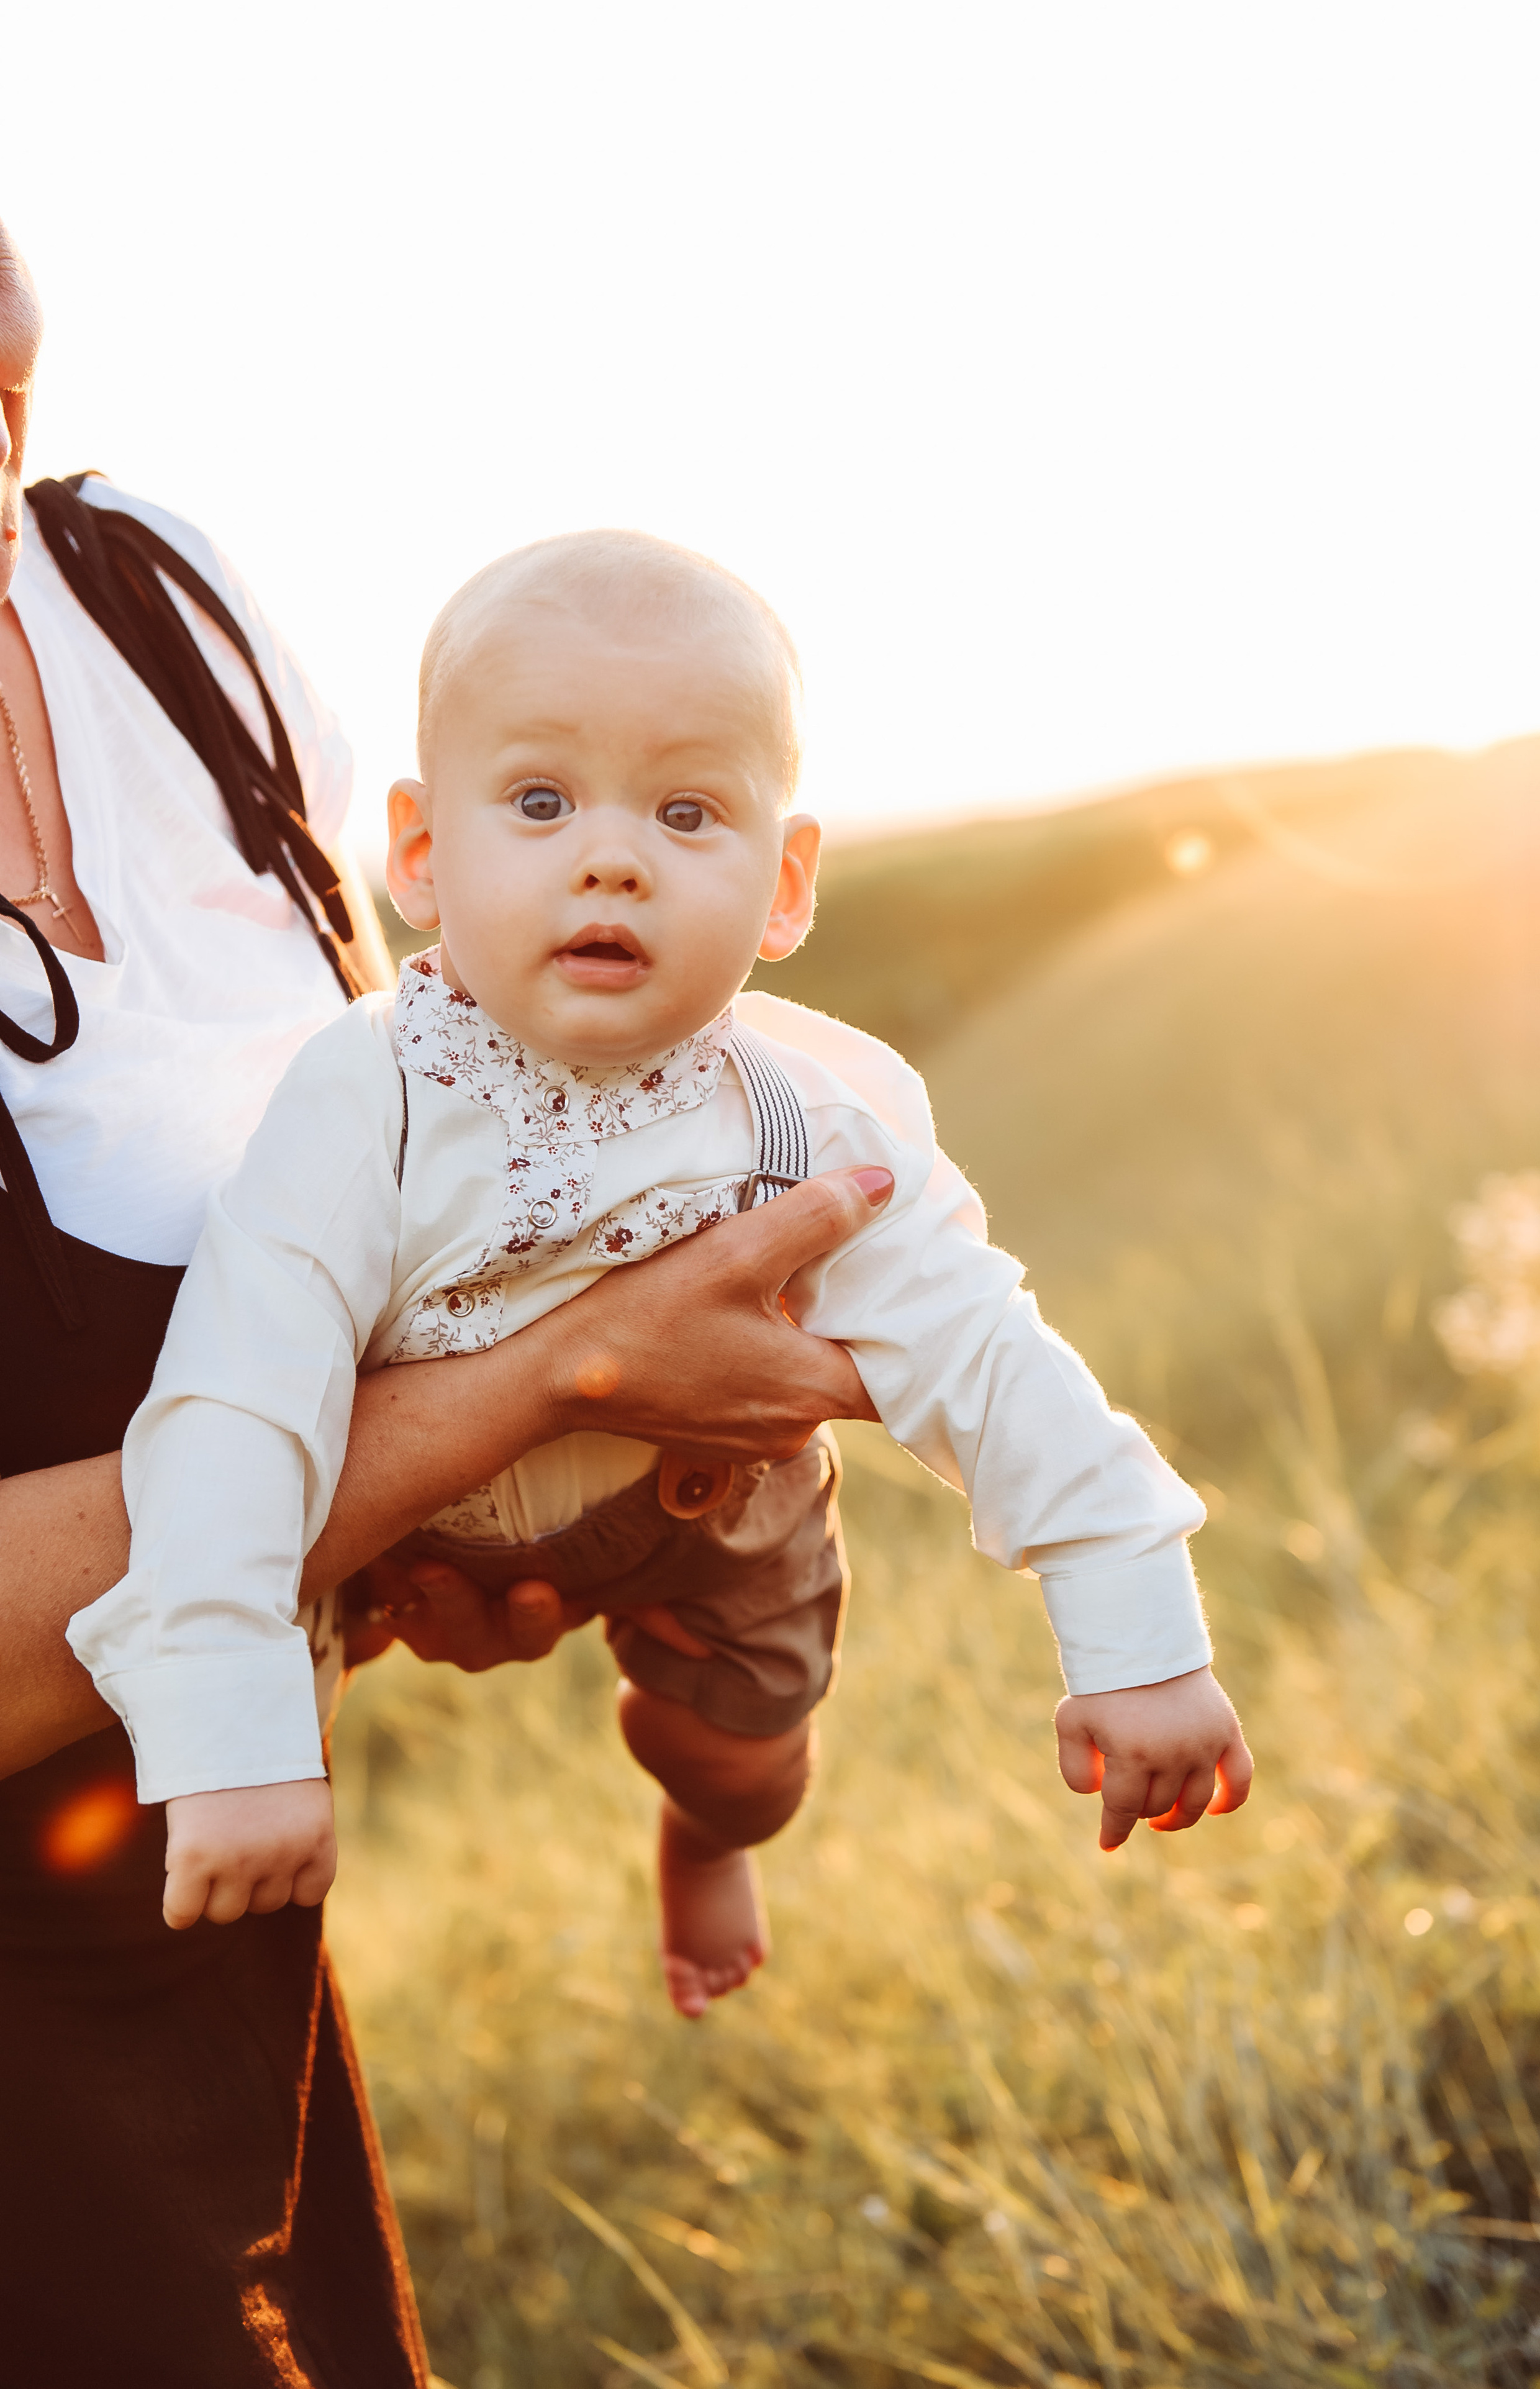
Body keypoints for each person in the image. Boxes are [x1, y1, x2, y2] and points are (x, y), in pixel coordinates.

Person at [0, 222, 884, 2386]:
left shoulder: (153, 602)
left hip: (233, 1942)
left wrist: (448, 1531)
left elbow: (408, 1158)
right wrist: (542, 1388)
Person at [70, 530, 1255, 2033]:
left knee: (744, 1760)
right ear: (420, 853)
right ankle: (230, 1806)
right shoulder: (359, 1108)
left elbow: (988, 1358)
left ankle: (706, 1837)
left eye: (686, 811)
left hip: (714, 1503)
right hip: (408, 1508)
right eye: (540, 801)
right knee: (246, 1709)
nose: (611, 857)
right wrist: (234, 1739)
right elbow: (240, 1397)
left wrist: (1135, 1638)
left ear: (785, 883)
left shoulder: (805, 1123)